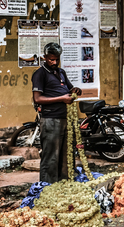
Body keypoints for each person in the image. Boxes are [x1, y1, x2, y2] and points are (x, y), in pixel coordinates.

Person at [32, 42, 82, 183]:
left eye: (56, 59)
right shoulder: (40, 74)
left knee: (67, 155)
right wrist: (61, 99)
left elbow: (69, 89)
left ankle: (65, 185)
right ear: (44, 57)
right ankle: (47, 187)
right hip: (50, 120)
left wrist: (75, 90)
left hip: (65, 119)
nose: (54, 62)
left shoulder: (61, 72)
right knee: (51, 158)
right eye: (51, 59)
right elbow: (37, 98)